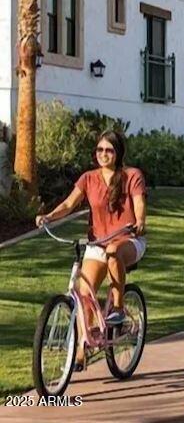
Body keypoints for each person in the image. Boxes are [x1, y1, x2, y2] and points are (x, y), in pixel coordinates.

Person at [36, 131, 147, 352]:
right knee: (83, 293)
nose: (103, 154)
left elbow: (139, 203)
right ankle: (81, 349)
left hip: (128, 239)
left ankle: (118, 309)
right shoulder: (88, 178)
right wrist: (49, 216)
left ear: (118, 153)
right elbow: (69, 204)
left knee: (114, 251)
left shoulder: (132, 175)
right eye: (100, 150)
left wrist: (140, 220)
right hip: (98, 243)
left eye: (109, 150)